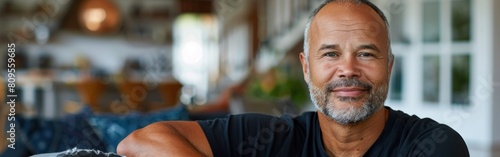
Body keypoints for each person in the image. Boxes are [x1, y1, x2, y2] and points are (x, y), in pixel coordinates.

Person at [117, 0, 469, 156]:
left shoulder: (434, 144)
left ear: (389, 66)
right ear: (305, 67)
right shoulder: (269, 139)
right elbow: (140, 142)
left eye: (366, 53)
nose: (347, 69)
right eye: (330, 54)